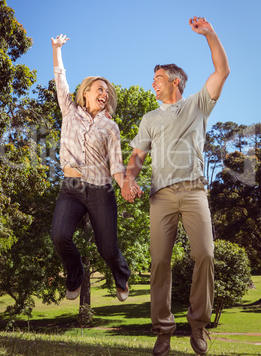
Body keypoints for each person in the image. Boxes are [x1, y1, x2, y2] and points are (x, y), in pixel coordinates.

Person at [121, 17, 230, 355]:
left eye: (157, 78)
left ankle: (198, 325)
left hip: (195, 191)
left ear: (176, 80)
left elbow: (222, 70)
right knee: (159, 263)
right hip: (161, 197)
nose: (152, 83)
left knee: (205, 254)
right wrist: (128, 179)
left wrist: (209, 34)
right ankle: (164, 330)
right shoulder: (149, 118)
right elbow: (137, 155)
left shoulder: (197, 104)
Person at [51, 34, 135, 302]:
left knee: (108, 249)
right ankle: (75, 276)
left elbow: (116, 165)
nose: (104, 93)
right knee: (60, 236)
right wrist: (57, 50)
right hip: (72, 189)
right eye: (99, 89)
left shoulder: (111, 127)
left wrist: (125, 185)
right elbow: (60, 80)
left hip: (100, 190)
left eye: (106, 91)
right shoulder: (70, 111)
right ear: (85, 92)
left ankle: (122, 277)